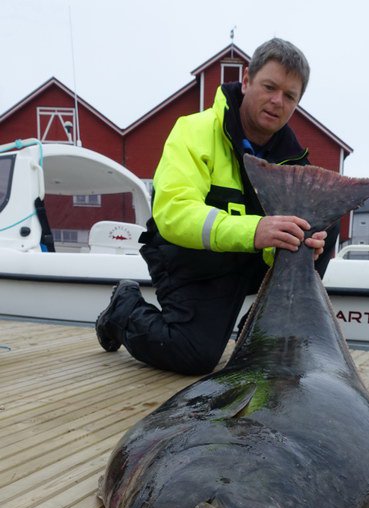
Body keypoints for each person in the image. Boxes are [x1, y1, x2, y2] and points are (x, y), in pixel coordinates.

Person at [95, 37, 338, 375]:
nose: (276, 101)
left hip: (247, 259)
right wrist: (256, 232)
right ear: (247, 80)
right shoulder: (193, 131)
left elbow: (273, 250)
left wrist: (299, 247)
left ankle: (262, 333)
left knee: (322, 220)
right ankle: (124, 308)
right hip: (192, 258)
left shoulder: (294, 161)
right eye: (269, 86)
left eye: (289, 96)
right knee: (193, 356)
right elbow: (174, 213)